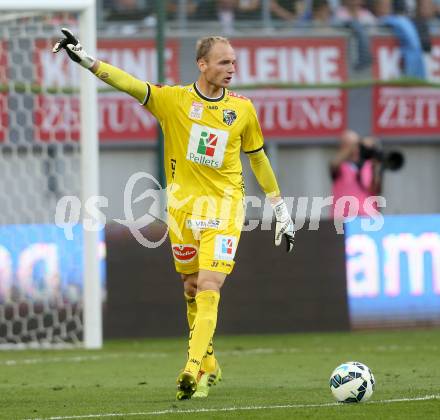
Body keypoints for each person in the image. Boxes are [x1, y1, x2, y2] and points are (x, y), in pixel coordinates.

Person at [53, 29, 295, 400]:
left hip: (226, 207)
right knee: (192, 288)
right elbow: (129, 84)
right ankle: (209, 362)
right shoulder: (174, 101)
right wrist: (86, 59)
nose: (232, 67)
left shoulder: (242, 109)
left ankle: (191, 369)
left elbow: (258, 158)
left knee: (210, 287)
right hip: (182, 209)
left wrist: (280, 208)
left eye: (233, 61)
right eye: (224, 61)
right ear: (202, 64)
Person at [330, 130, 382, 219]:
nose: (356, 148)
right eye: (349, 144)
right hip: (342, 218)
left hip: (367, 217)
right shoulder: (340, 165)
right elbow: (334, 164)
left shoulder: (369, 165)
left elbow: (375, 189)